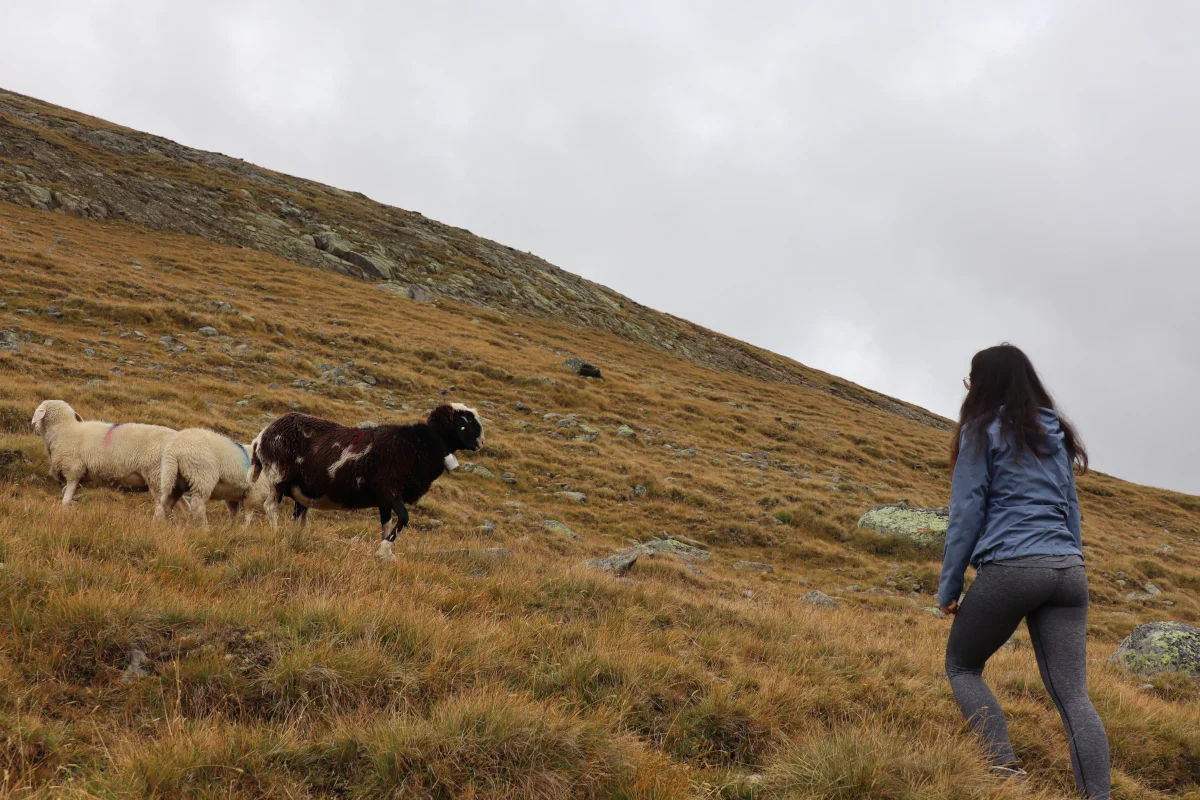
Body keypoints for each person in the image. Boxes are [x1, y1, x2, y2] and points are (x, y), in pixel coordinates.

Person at [937, 343, 1110, 799]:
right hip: (1068, 571)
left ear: (981, 385)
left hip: (1012, 567)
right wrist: (1071, 560)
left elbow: (966, 513)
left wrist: (949, 586)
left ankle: (1004, 773)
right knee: (1074, 696)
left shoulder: (979, 431)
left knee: (962, 666)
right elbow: (1070, 507)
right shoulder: (1053, 433)